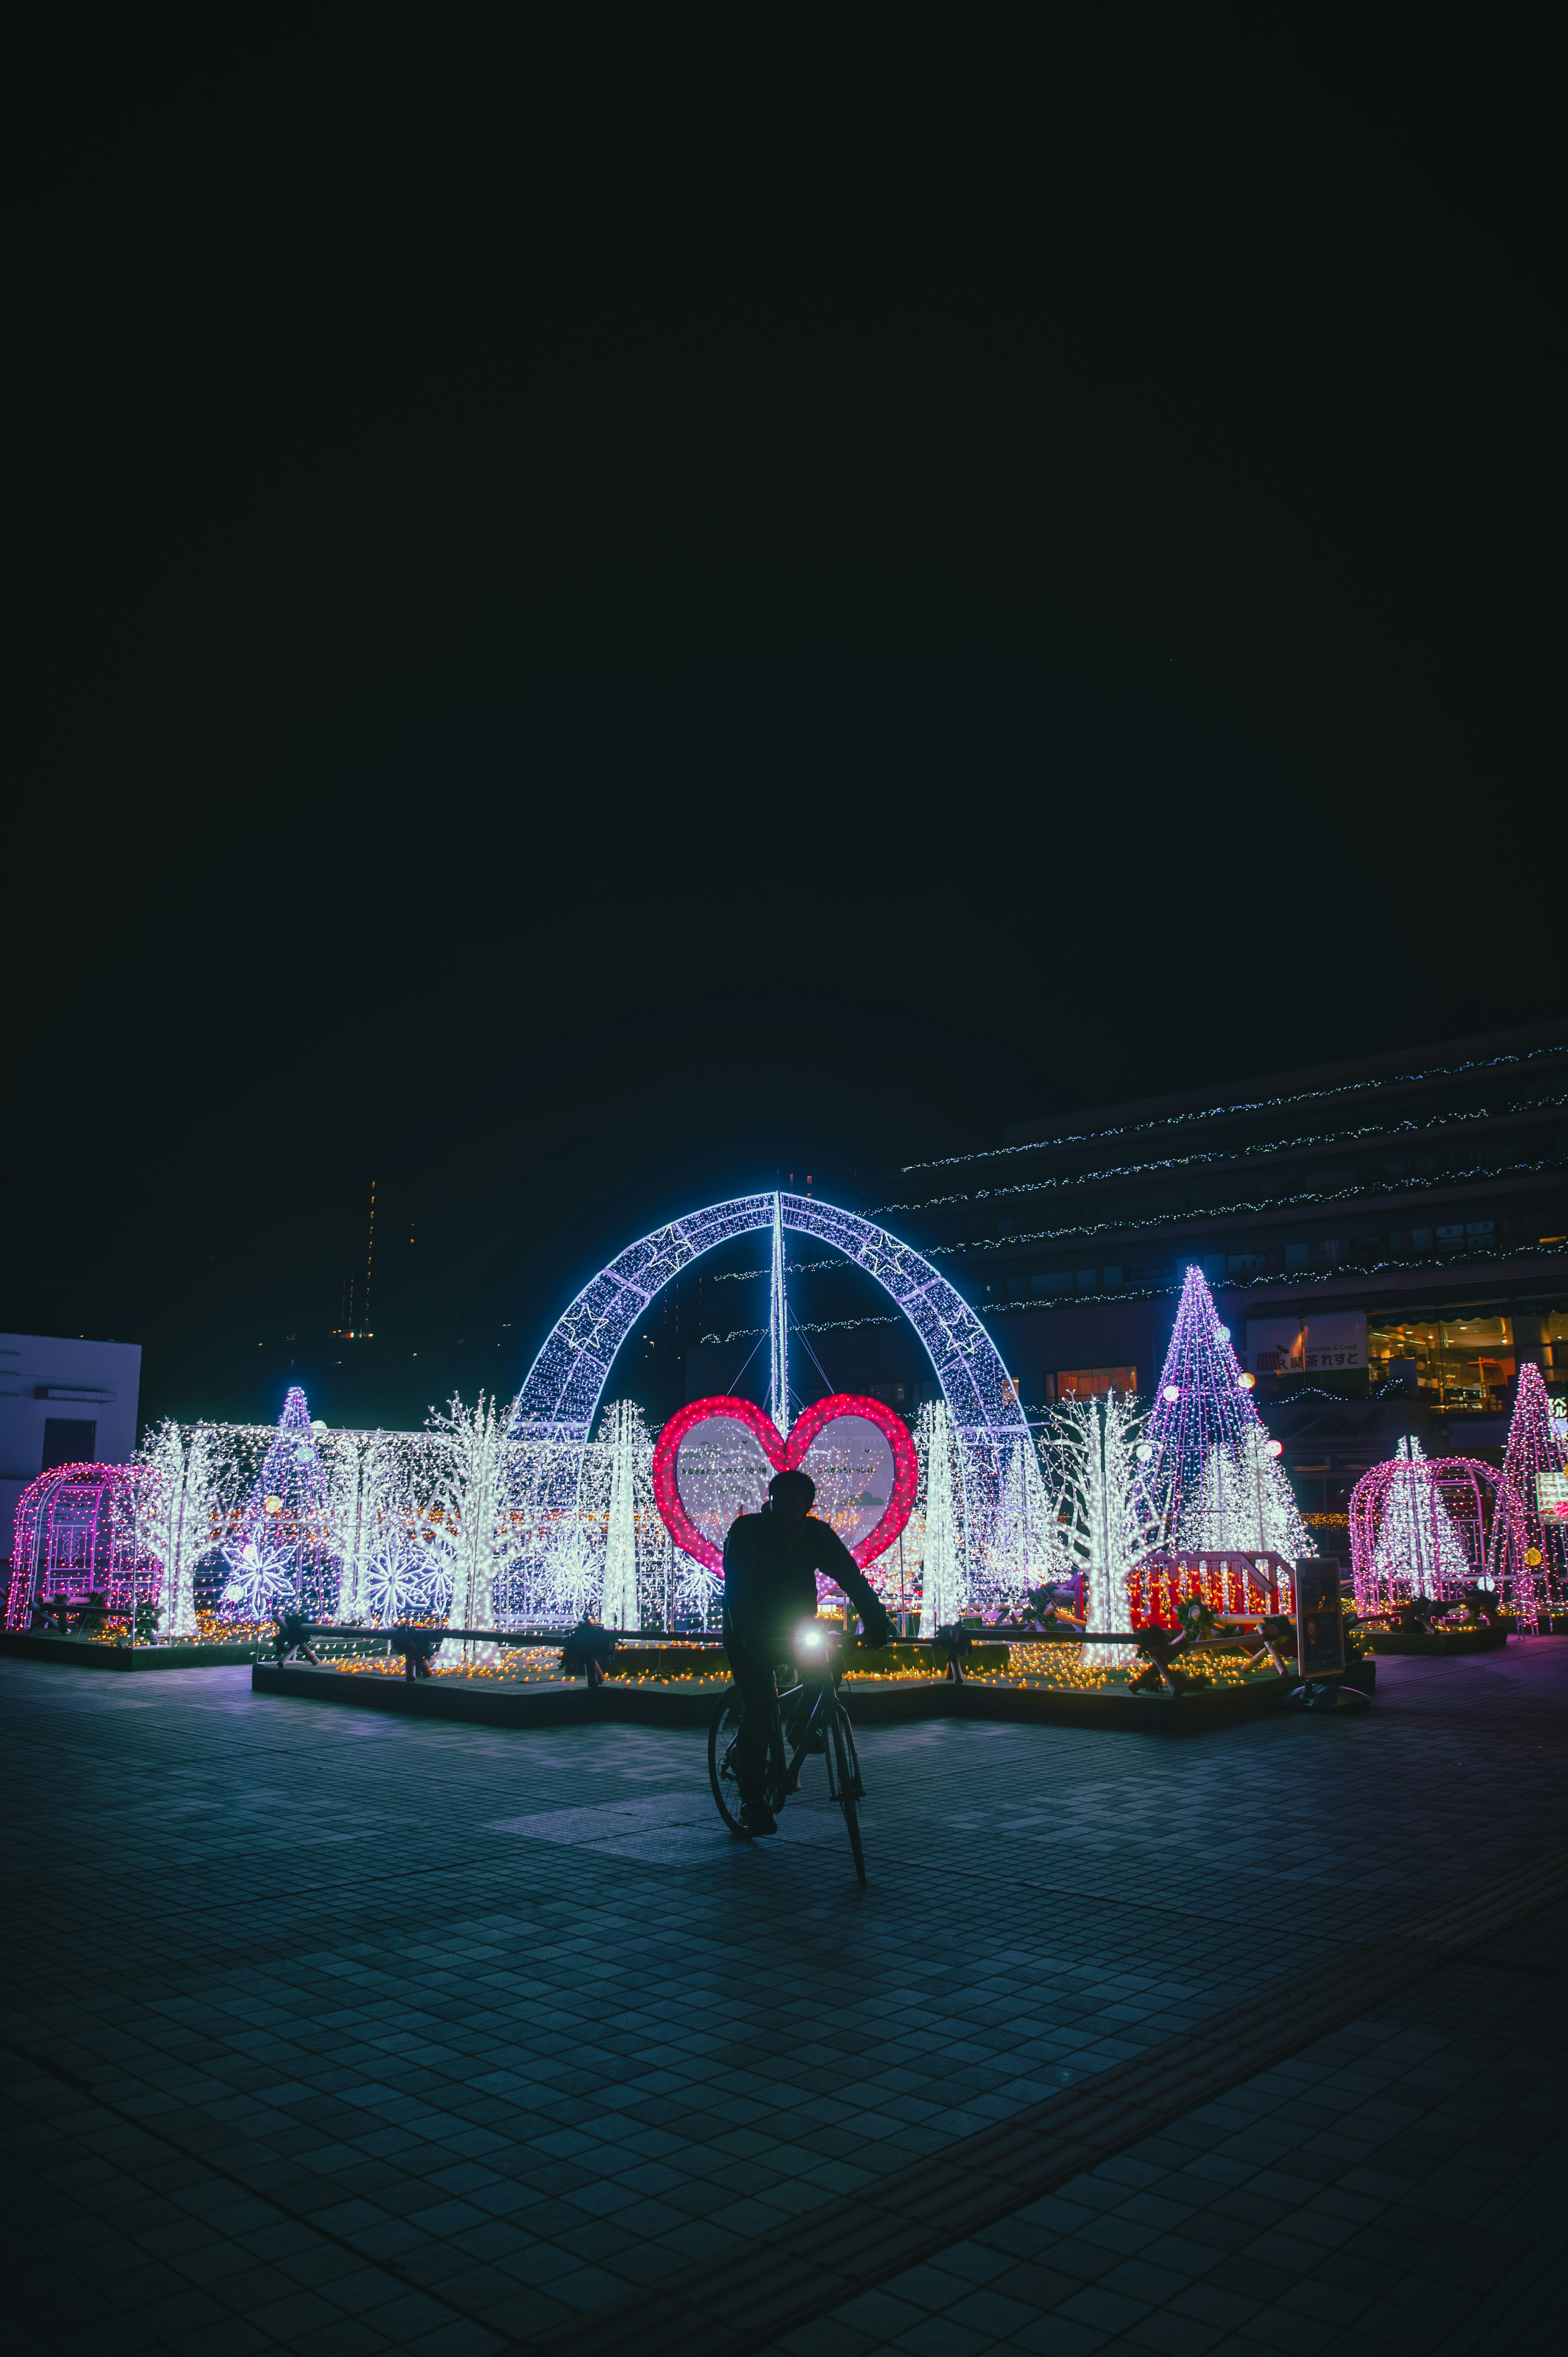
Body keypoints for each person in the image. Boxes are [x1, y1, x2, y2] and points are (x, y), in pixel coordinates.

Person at [721, 1466, 894, 1836]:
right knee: (760, 1705)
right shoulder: (748, 1531)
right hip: (747, 1632)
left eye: (796, 1501)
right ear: (770, 1499)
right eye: (782, 1499)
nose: (788, 1507)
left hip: (795, 1629)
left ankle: (800, 1726)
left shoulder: (815, 1534)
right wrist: (750, 1635)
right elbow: (738, 1591)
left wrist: (875, 1618)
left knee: (830, 1666)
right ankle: (753, 1801)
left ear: (808, 1506)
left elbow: (850, 1575)